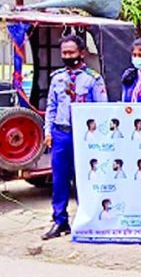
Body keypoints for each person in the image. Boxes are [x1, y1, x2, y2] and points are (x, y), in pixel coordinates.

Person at [41, 35, 109, 241]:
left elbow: (102, 110)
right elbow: (51, 106)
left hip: (85, 135)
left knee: (85, 178)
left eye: (71, 52)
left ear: (82, 53)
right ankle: (60, 221)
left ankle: (86, 220)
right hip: (61, 133)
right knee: (60, 178)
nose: (67, 56)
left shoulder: (94, 79)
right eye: (64, 53)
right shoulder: (58, 78)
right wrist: (47, 131)